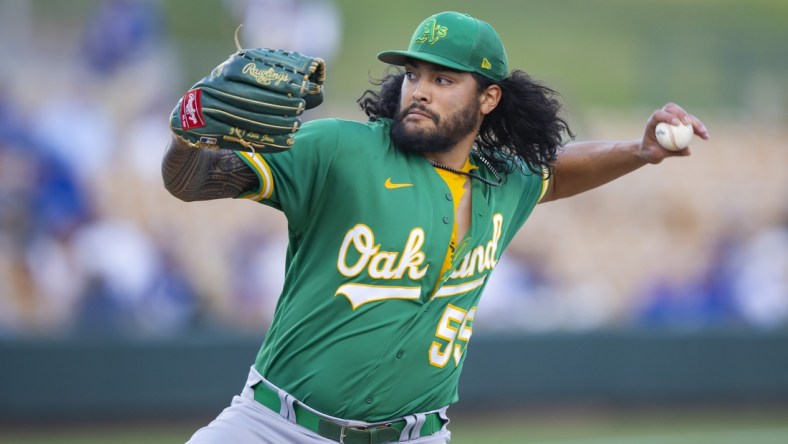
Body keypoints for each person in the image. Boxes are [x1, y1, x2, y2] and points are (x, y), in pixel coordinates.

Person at [162, 11, 709, 444]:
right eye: (413, 75)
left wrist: (639, 151)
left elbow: (558, 172)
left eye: (443, 79)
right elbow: (191, 182)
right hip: (275, 427)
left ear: (488, 98)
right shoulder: (339, 150)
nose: (419, 90)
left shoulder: (504, 183)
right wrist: (189, 131)